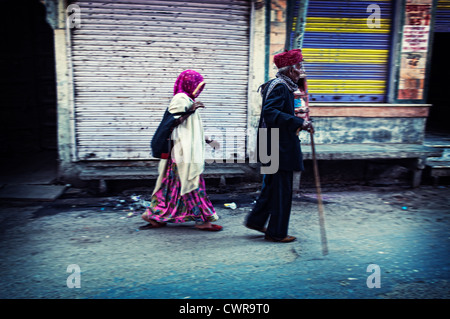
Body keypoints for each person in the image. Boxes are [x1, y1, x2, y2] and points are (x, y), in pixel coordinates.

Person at [245, 49, 313, 243]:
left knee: (272, 186)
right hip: (278, 146)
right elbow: (271, 112)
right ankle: (276, 232)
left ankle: (257, 220)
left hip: (271, 143)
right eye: (299, 66)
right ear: (290, 69)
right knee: (282, 190)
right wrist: (299, 123)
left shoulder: (278, 84)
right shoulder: (281, 86)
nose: (301, 71)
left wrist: (297, 118)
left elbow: (276, 112)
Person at [141, 70, 222, 231]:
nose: (199, 90)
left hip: (183, 152)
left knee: (173, 186)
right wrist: (190, 110)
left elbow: (191, 127)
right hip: (181, 153)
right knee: (193, 184)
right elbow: (172, 123)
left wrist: (208, 140)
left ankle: (153, 214)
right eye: (197, 86)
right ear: (188, 83)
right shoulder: (180, 99)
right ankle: (202, 221)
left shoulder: (188, 99)